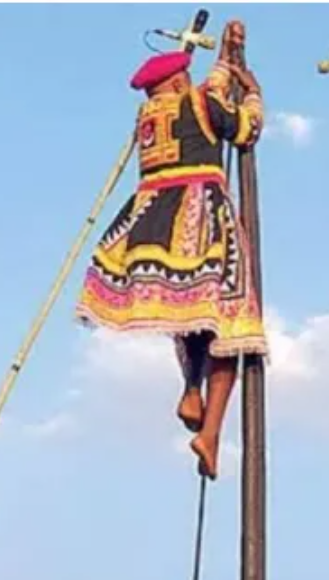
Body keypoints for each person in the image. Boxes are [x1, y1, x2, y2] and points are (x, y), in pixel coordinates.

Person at [75, 21, 267, 480]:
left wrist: (227, 54)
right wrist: (254, 94)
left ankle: (191, 390)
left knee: (192, 319)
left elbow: (211, 86)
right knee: (231, 328)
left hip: (147, 230)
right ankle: (211, 433)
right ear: (181, 81)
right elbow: (244, 129)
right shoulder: (200, 102)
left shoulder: (147, 119)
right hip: (199, 224)